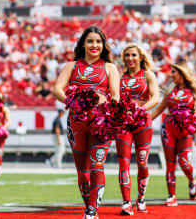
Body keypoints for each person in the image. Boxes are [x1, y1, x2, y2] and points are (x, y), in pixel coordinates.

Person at [52, 25, 120, 219]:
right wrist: (71, 101)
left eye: (98, 41)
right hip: (76, 122)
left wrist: (105, 103)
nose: (94, 45)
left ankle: (91, 211)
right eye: (90, 41)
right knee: (83, 171)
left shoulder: (110, 67)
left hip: (101, 122)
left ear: (103, 45)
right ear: (83, 44)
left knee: (97, 164)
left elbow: (115, 95)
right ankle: (90, 208)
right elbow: (57, 89)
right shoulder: (71, 66)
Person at [152, 60, 196, 206]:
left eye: (173, 72)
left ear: (182, 73)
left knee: (184, 162)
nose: (171, 75)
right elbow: (159, 109)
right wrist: (143, 121)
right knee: (170, 164)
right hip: (169, 129)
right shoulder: (171, 91)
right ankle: (171, 195)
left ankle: (192, 180)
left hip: (185, 130)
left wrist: (192, 116)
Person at [117, 43, 159, 215]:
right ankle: (126, 203)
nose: (130, 58)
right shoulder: (120, 77)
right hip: (123, 124)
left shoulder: (148, 75)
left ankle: (141, 197)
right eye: (127, 55)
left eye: (133, 55)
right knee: (123, 163)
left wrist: (139, 110)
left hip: (142, 123)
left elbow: (156, 98)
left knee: (142, 162)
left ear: (141, 57)